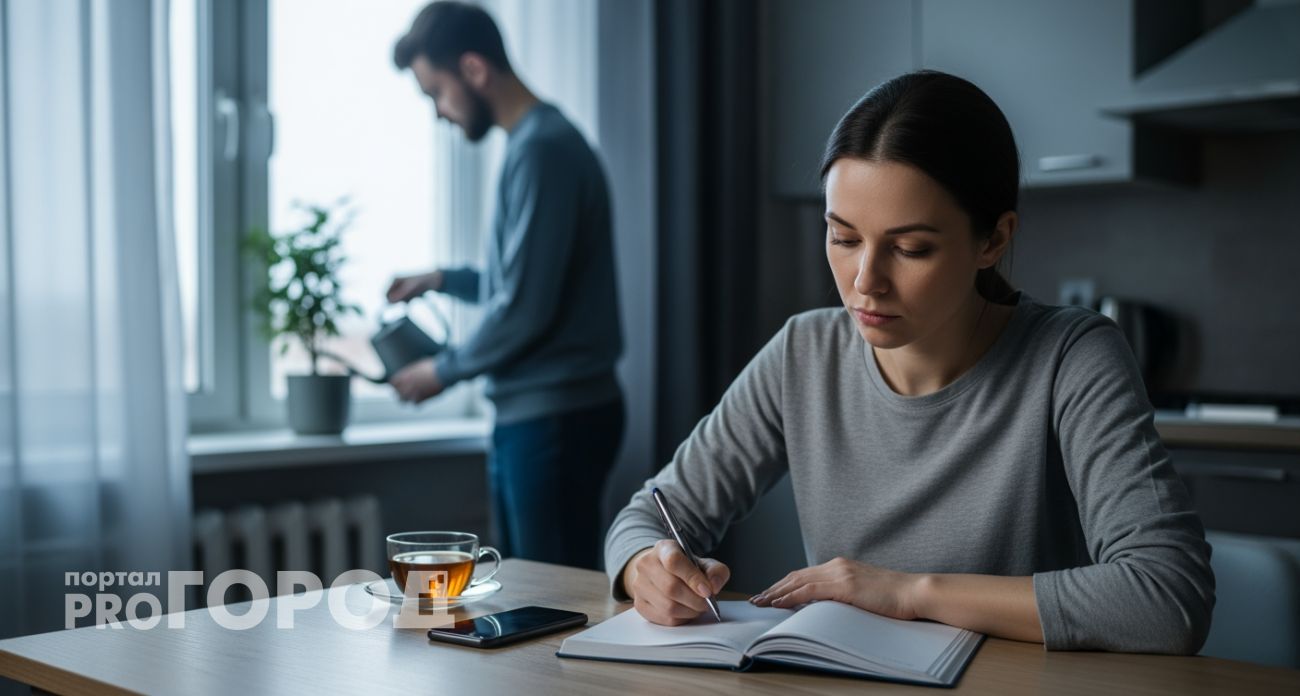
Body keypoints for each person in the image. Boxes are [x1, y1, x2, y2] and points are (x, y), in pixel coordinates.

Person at [605, 71, 1214, 654]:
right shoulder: (803, 353)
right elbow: (649, 516)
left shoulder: (1071, 357)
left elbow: (1166, 598)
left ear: (993, 240)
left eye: (911, 248)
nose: (866, 281)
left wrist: (907, 591)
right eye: (843, 238)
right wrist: (646, 570)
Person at [387, 1, 624, 570]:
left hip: (556, 417)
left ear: (473, 69)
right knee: (528, 592)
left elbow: (523, 307)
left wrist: (440, 371)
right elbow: (517, 283)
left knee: (547, 601)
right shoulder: (534, 145)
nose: (439, 113)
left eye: (435, 92)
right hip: (539, 414)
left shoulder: (543, 150)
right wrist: (442, 279)